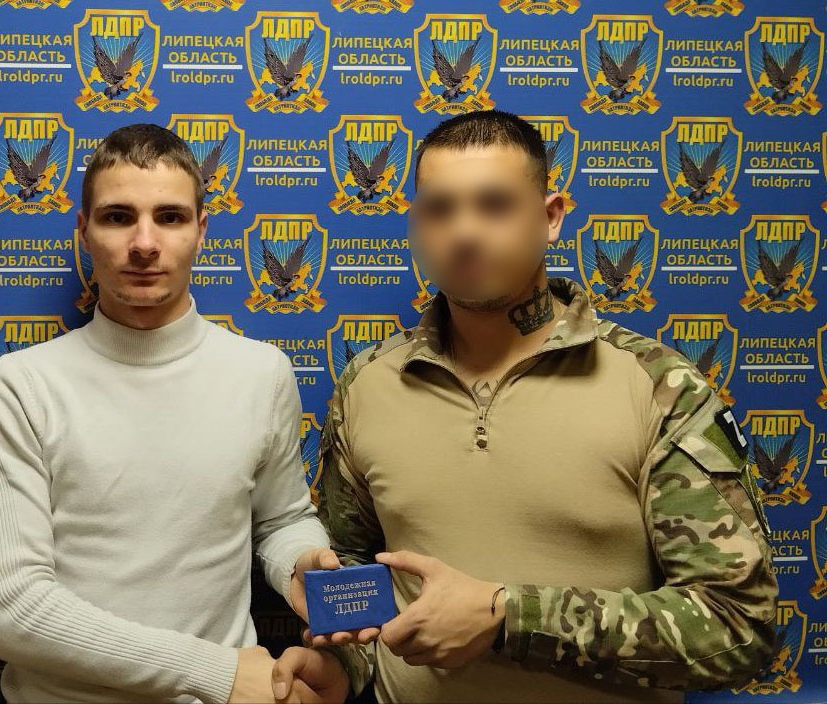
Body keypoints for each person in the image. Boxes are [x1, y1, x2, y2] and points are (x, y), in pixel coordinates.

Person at [273, 110, 778, 704]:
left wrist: (509, 617)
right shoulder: (368, 384)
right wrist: (340, 666)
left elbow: (739, 626)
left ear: (550, 217)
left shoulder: (657, 386)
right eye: (440, 209)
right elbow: (358, 576)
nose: (464, 231)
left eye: (495, 205)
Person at [0, 123, 344, 704]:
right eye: (118, 217)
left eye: (169, 217)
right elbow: (13, 612)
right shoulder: (22, 385)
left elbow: (280, 520)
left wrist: (298, 561)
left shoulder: (261, 373)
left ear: (201, 230)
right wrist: (216, 673)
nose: (144, 243)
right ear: (84, 231)